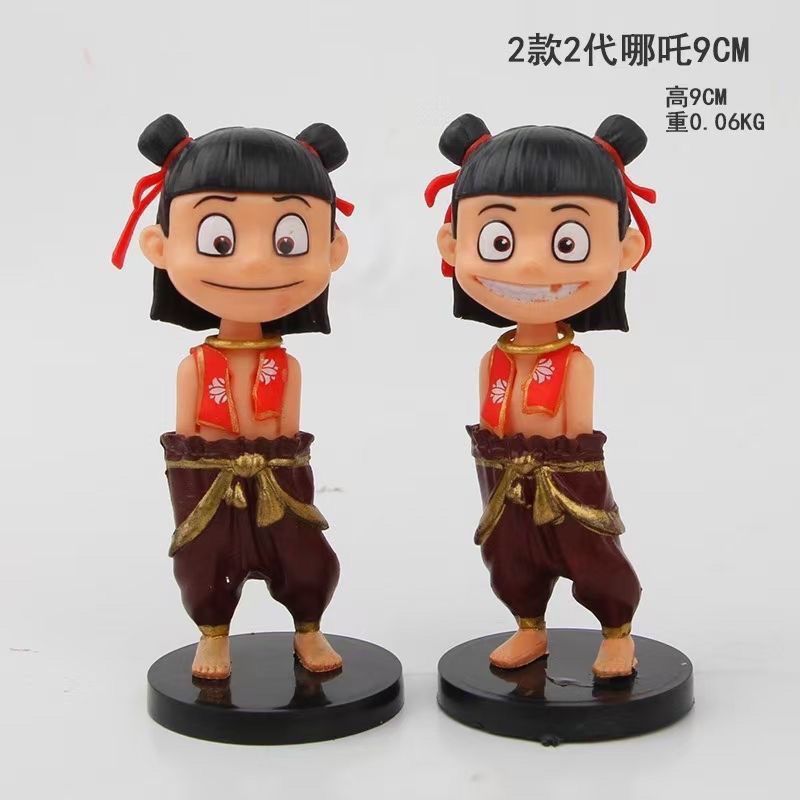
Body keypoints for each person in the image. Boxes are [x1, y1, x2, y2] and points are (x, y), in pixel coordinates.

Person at [113, 114, 352, 679]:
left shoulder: (285, 365)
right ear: (159, 246)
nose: (254, 262)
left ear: (332, 250)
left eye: (287, 240)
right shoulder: (195, 367)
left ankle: (308, 627)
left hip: (279, 479)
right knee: (205, 560)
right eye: (219, 240)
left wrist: (273, 463)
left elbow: (290, 434)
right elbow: (186, 443)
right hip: (210, 482)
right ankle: (213, 635)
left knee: (304, 555)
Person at [426, 113, 656, 678]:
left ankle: (616, 631)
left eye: (566, 242)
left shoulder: (573, 363)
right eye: (500, 240)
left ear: (625, 249)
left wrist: (557, 469)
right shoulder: (494, 359)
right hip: (503, 478)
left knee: (589, 552)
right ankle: (529, 625)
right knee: (508, 555)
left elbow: (579, 437)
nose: (529, 263)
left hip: (565, 480)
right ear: (452, 245)